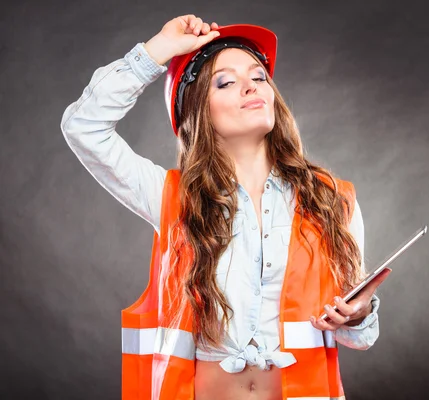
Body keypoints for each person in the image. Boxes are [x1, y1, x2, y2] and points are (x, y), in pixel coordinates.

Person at [61, 14, 390, 400]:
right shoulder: (172, 196)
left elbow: (358, 335)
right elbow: (83, 126)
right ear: (198, 110)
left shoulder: (333, 199)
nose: (250, 87)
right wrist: (159, 50)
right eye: (227, 82)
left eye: (258, 77)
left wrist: (359, 313)